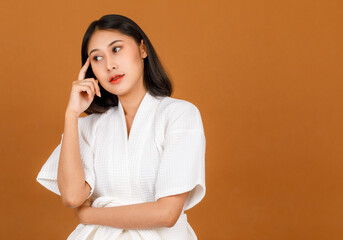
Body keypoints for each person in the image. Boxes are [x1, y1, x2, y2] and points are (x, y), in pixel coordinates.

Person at [36, 14, 206, 240]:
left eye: (116, 49)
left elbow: (167, 214)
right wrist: (71, 114)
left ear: (142, 49)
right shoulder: (88, 127)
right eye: (97, 58)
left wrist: (89, 216)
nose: (110, 65)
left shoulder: (179, 115)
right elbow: (71, 196)